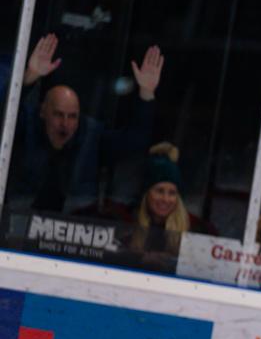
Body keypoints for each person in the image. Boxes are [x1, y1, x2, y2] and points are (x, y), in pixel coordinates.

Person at [6, 34, 162, 215]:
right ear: (43, 112)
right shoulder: (26, 126)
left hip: (74, 228)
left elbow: (134, 141)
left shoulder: (91, 135)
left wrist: (146, 93)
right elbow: (3, 118)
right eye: (58, 115)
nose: (65, 124)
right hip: (16, 222)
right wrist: (29, 78)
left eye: (72, 116)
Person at [129, 142, 213, 256]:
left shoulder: (196, 229)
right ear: (146, 193)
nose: (166, 199)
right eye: (159, 191)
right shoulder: (128, 222)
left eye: (172, 193)